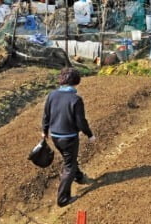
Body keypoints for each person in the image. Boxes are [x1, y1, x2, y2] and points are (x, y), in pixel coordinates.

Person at [42, 67, 96, 207]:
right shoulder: (75, 99)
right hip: (69, 138)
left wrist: (44, 130)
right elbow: (81, 122)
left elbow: (46, 114)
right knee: (69, 166)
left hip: (55, 136)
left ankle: (78, 176)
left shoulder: (52, 95)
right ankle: (63, 199)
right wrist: (89, 134)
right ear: (76, 81)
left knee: (69, 159)